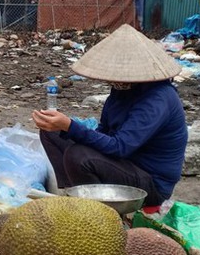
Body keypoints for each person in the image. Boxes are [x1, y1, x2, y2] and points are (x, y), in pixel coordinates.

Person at [32, 24, 187, 207]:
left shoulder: (158, 99)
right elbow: (104, 131)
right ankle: (74, 197)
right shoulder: (121, 91)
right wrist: (63, 127)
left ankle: (96, 213)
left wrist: (70, 126)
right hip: (122, 163)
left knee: (78, 156)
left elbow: (120, 147)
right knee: (51, 133)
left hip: (150, 182)